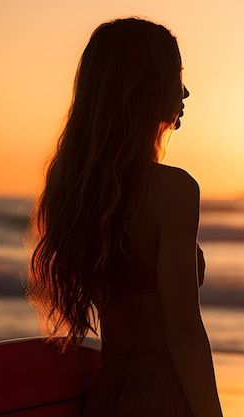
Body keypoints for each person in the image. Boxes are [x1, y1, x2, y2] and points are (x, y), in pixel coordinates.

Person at [27, 18, 223, 417]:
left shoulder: (78, 190)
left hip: (107, 392)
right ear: (144, 86)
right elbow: (183, 332)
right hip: (165, 394)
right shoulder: (175, 190)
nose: (184, 91)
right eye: (176, 75)